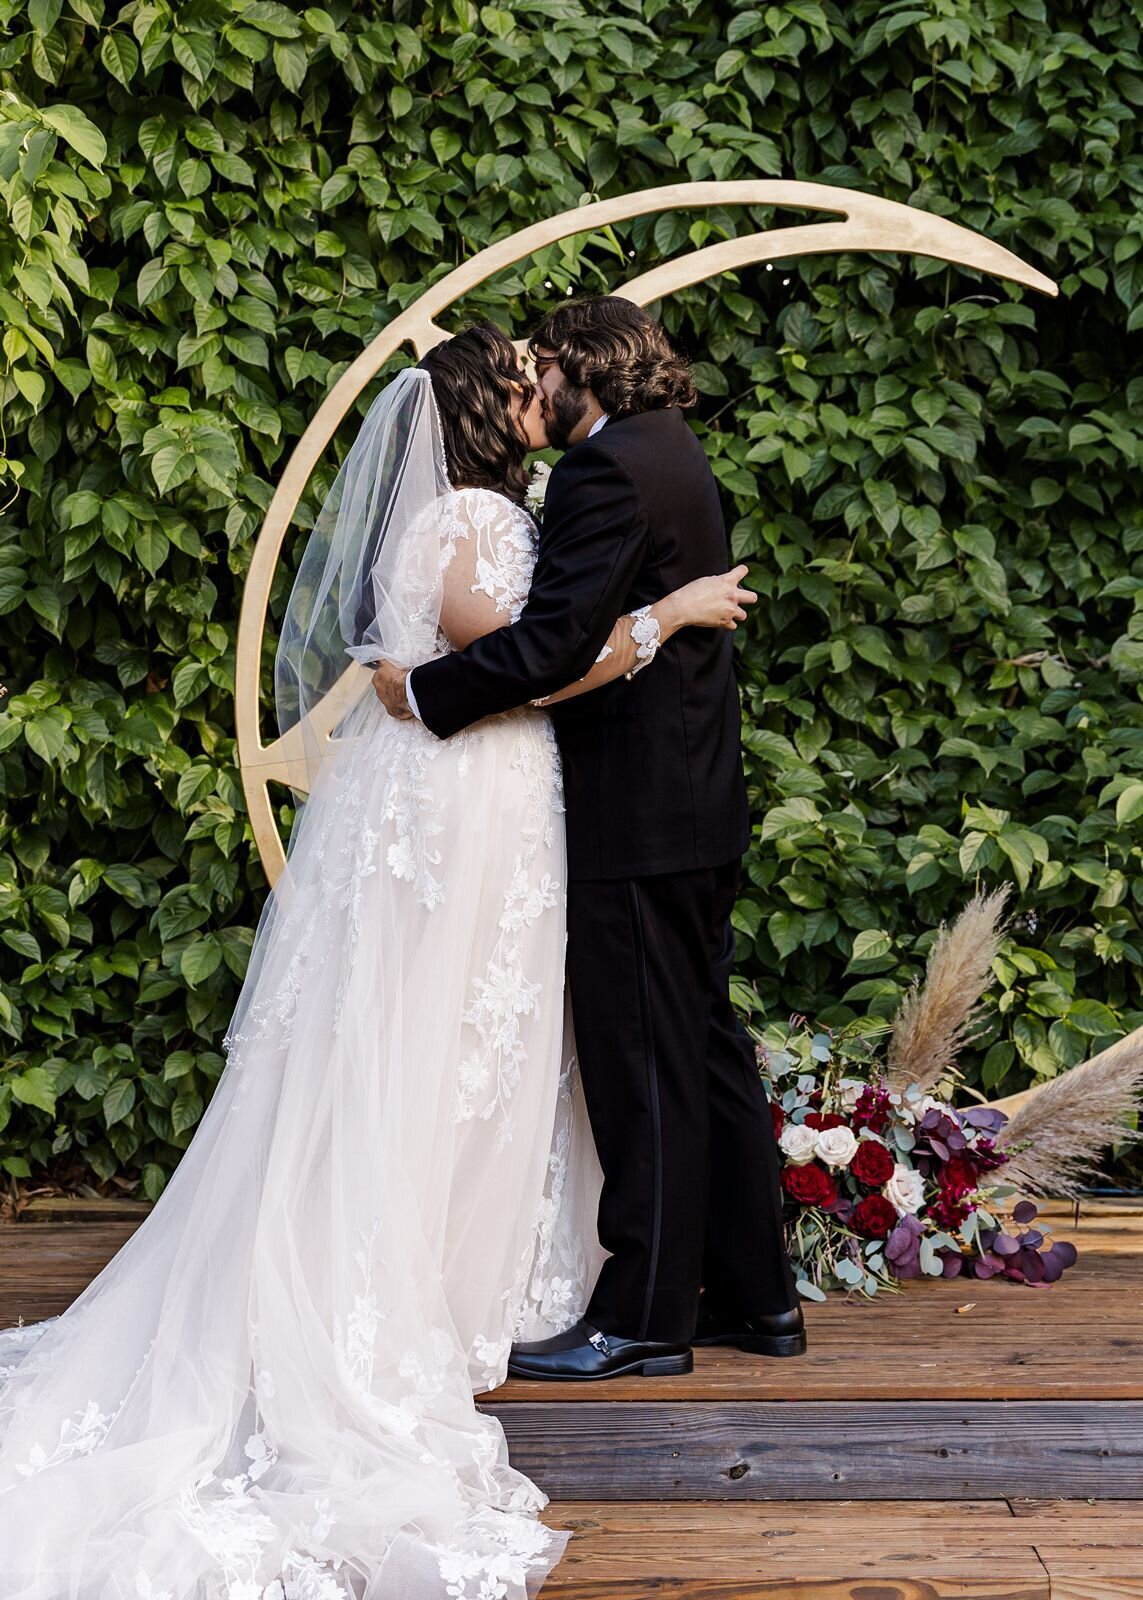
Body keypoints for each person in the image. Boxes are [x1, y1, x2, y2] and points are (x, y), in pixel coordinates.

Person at [0, 323, 754, 1600]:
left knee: (483, 1035)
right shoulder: (466, 521)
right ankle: (402, 1282)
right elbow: (528, 667)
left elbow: (488, 660)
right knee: (432, 1030)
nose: (537, 390)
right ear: (479, 407)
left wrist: (567, 637)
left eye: (540, 372)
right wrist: (662, 614)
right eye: (518, 379)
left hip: (490, 799)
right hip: (464, 797)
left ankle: (488, 1262)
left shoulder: (502, 505)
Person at [372, 298, 805, 1383]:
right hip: (694, 804)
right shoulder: (673, 448)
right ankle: (760, 1298)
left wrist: (422, 691)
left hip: (640, 811)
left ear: (582, 371)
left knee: (642, 1063)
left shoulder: (606, 470)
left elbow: (553, 645)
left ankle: (645, 1318)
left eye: (546, 367)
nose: (536, 387)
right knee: (704, 1049)